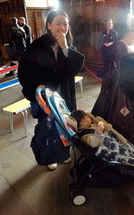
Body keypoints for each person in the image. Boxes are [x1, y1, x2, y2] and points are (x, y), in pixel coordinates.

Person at [18, 9, 85, 170]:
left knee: (65, 123)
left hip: (65, 93)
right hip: (47, 96)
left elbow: (74, 69)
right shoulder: (37, 46)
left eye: (65, 24)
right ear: (48, 25)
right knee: (48, 126)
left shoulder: (68, 45)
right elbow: (24, 71)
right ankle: (50, 157)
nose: (62, 27)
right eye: (57, 23)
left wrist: (64, 47)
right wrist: (35, 86)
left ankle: (64, 152)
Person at [92, 14, 134, 158]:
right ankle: (122, 145)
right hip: (122, 84)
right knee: (122, 112)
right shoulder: (120, 44)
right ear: (133, 29)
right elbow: (124, 63)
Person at [69, 110, 134, 169]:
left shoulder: (93, 122)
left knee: (127, 147)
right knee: (123, 153)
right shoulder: (84, 136)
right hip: (105, 147)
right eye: (84, 121)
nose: (88, 120)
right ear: (79, 126)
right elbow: (93, 142)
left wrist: (97, 120)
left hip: (111, 138)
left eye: (87, 117)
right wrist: (98, 132)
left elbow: (109, 128)